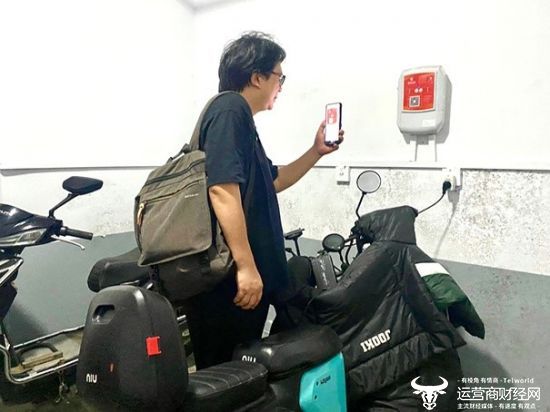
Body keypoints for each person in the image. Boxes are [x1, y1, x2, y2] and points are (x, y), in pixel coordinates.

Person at [182, 31, 344, 369]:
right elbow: (222, 191)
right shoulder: (230, 110)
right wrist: (246, 267)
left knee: (242, 374)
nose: (280, 86)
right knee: (226, 376)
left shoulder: (241, 120)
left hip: (244, 280)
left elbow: (274, 181)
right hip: (229, 282)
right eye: (278, 77)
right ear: (257, 77)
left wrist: (316, 151)